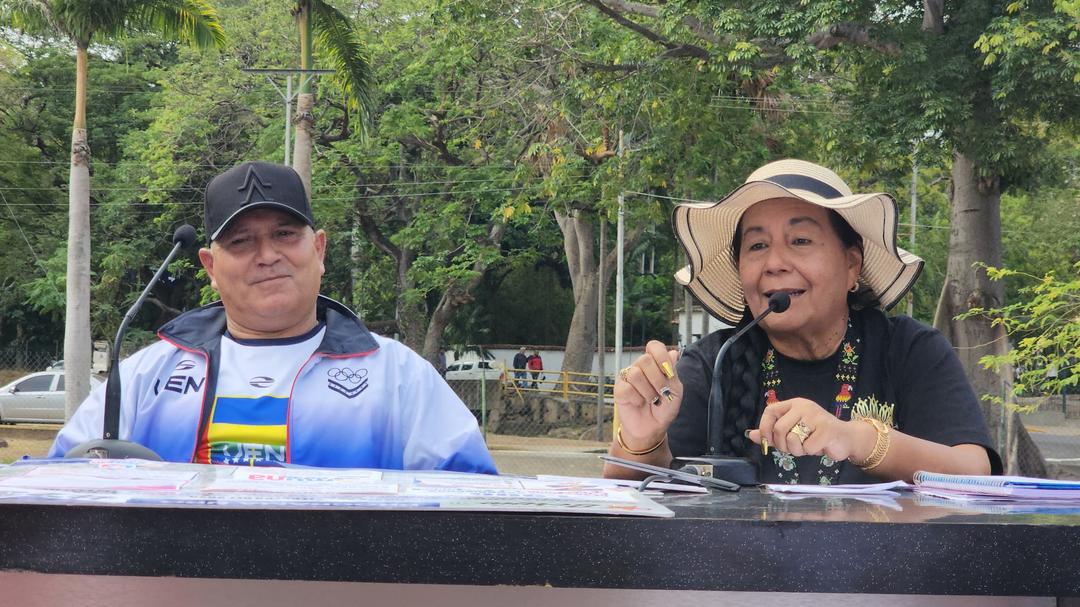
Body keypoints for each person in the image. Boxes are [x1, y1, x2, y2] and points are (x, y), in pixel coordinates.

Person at [50, 161, 496, 473]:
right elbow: (58, 484)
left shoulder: (398, 376)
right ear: (210, 267)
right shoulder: (144, 377)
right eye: (241, 241)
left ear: (319, 249)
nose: (267, 255)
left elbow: (472, 503)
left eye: (285, 234)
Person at [605, 159, 1001, 484]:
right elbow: (629, 504)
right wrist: (641, 440)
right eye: (757, 245)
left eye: (800, 241)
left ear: (852, 265)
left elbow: (975, 472)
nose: (775, 263)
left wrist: (857, 439)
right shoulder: (713, 364)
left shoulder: (910, 350)